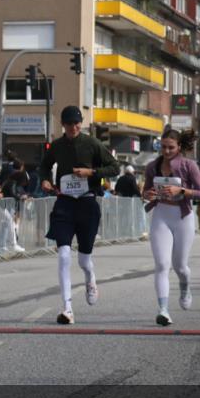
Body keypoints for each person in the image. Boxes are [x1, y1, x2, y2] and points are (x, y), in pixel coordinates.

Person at [39, 105, 120, 325]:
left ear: (80, 123)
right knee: (64, 255)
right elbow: (44, 166)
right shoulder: (56, 146)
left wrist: (91, 172)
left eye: (76, 123)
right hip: (64, 203)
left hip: (87, 203)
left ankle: (90, 277)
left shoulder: (92, 143)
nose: (73, 127)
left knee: (84, 259)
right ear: (62, 125)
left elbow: (115, 167)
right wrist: (45, 180)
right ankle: (67, 308)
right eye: (68, 124)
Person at [142, 129, 200, 326]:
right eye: (163, 147)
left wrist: (182, 190)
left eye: (171, 147)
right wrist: (148, 194)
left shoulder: (189, 165)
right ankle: (163, 310)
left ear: (179, 147)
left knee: (180, 266)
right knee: (162, 265)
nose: (167, 151)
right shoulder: (153, 166)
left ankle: (185, 286)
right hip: (161, 215)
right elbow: (145, 191)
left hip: (183, 217)